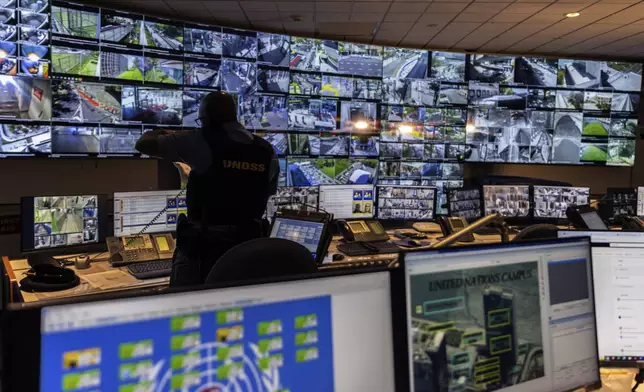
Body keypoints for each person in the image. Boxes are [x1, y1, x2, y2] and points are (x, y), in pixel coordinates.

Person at [135, 91, 279, 287]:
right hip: (247, 251)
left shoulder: (201, 139)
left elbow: (143, 143)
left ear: (205, 118)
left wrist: (165, 133)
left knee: (188, 312)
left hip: (202, 252)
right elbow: (267, 191)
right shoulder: (266, 150)